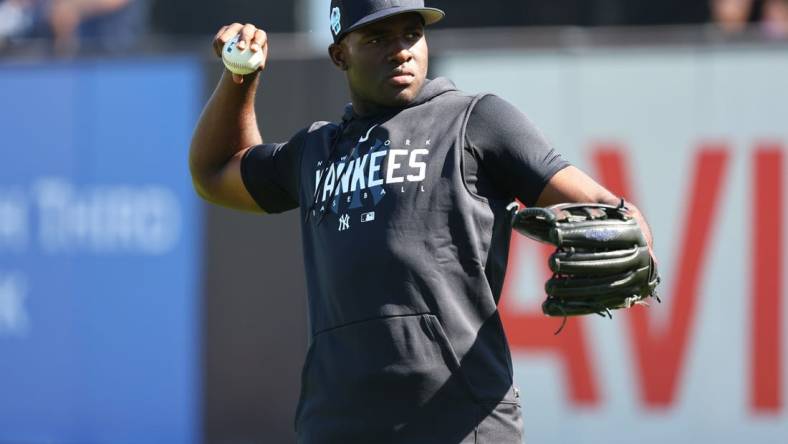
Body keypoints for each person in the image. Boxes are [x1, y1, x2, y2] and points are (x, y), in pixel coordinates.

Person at [189, 0, 655, 442]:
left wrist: (636, 236)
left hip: (461, 420)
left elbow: (605, 204)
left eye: (412, 33)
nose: (401, 49)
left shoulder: (475, 120)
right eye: (377, 37)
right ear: (338, 55)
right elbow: (216, 171)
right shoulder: (315, 151)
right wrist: (239, 77)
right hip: (336, 423)